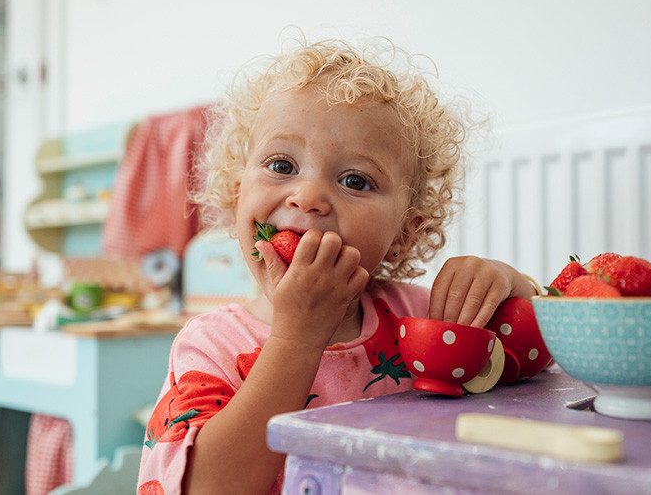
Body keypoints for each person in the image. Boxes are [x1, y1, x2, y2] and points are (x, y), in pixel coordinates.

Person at [137, 37, 539, 495]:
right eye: (282, 164)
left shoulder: (421, 320)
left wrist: (508, 283)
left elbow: (530, 354)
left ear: (405, 232)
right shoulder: (212, 345)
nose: (307, 196)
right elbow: (206, 488)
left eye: (354, 180)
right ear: (236, 196)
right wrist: (297, 338)